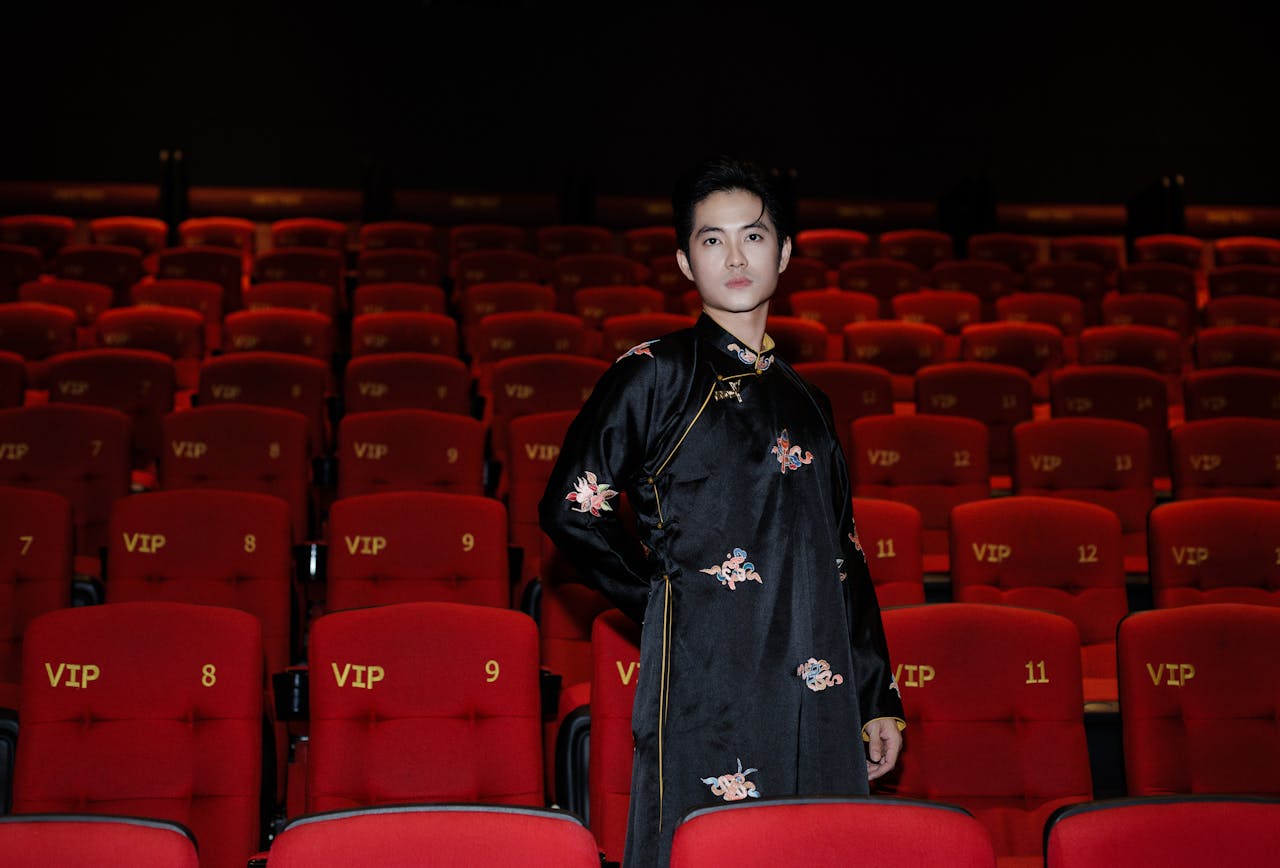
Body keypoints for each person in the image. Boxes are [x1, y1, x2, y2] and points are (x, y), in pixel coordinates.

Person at [539, 157, 904, 867]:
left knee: (820, 847)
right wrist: (660, 600)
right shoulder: (654, 373)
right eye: (712, 240)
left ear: (786, 253)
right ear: (684, 261)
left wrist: (873, 692)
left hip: (818, 682)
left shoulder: (810, 402)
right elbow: (570, 510)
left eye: (754, 236)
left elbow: (844, 554)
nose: (735, 257)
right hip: (710, 676)